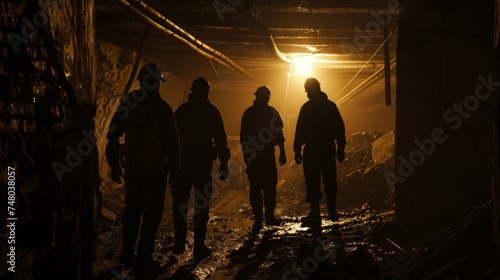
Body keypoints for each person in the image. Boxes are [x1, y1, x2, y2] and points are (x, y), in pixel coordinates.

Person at [105, 63, 180, 273]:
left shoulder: (128, 103)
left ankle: (127, 254)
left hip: (133, 169)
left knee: (132, 210)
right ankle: (144, 257)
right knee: (152, 213)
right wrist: (175, 169)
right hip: (154, 170)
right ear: (156, 83)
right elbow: (171, 141)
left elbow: (112, 136)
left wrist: (113, 165)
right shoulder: (161, 108)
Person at [172, 77, 230, 261]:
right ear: (206, 93)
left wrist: (172, 165)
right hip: (202, 164)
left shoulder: (182, 111)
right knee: (201, 204)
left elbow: (171, 139)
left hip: (183, 164)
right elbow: (220, 138)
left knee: (180, 202)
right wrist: (224, 162)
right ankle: (198, 248)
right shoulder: (211, 111)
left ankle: (179, 243)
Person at [293, 77, 346, 227]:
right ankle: (332, 212)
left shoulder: (307, 108)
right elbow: (339, 130)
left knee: (313, 181)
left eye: (308, 91)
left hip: (313, 150)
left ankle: (315, 214)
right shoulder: (330, 106)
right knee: (329, 179)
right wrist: (340, 148)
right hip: (327, 148)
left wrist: (297, 150)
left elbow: (300, 131)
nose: (307, 94)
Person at [240, 86, 286, 232]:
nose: (265, 100)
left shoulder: (249, 112)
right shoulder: (270, 112)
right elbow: (278, 134)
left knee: (262, 188)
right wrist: (282, 152)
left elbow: (243, 137)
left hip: (258, 156)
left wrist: (246, 155)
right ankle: (264, 218)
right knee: (265, 187)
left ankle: (262, 219)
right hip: (264, 156)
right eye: (265, 97)